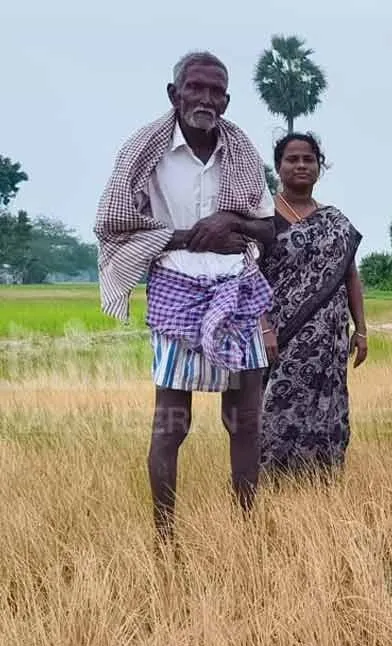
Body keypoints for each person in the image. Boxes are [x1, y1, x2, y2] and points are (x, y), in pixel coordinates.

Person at [94, 51, 277, 541]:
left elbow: (268, 227)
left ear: (227, 99)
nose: (206, 99)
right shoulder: (145, 152)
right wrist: (186, 237)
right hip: (175, 290)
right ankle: (165, 536)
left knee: (244, 424)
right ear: (173, 94)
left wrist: (230, 223)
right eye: (195, 88)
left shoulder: (241, 152)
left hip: (237, 291)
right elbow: (115, 225)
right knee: (171, 425)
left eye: (216, 91)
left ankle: (247, 531)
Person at [257, 132, 367, 481]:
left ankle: (321, 477)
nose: (301, 165)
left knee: (328, 406)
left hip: (330, 341)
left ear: (319, 166)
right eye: (292, 159)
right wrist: (264, 327)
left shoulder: (335, 222)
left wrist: (361, 328)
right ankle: (274, 479)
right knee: (276, 407)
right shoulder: (262, 217)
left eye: (309, 159)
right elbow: (248, 276)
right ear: (278, 167)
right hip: (280, 337)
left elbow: (350, 276)